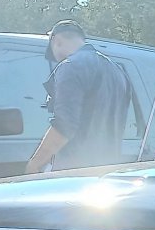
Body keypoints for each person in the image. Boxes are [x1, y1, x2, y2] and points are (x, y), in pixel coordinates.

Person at [26, 19, 130, 172]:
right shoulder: (118, 71)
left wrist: (34, 165)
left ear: (56, 40)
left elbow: (64, 125)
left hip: (74, 173)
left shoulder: (70, 67)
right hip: (107, 170)